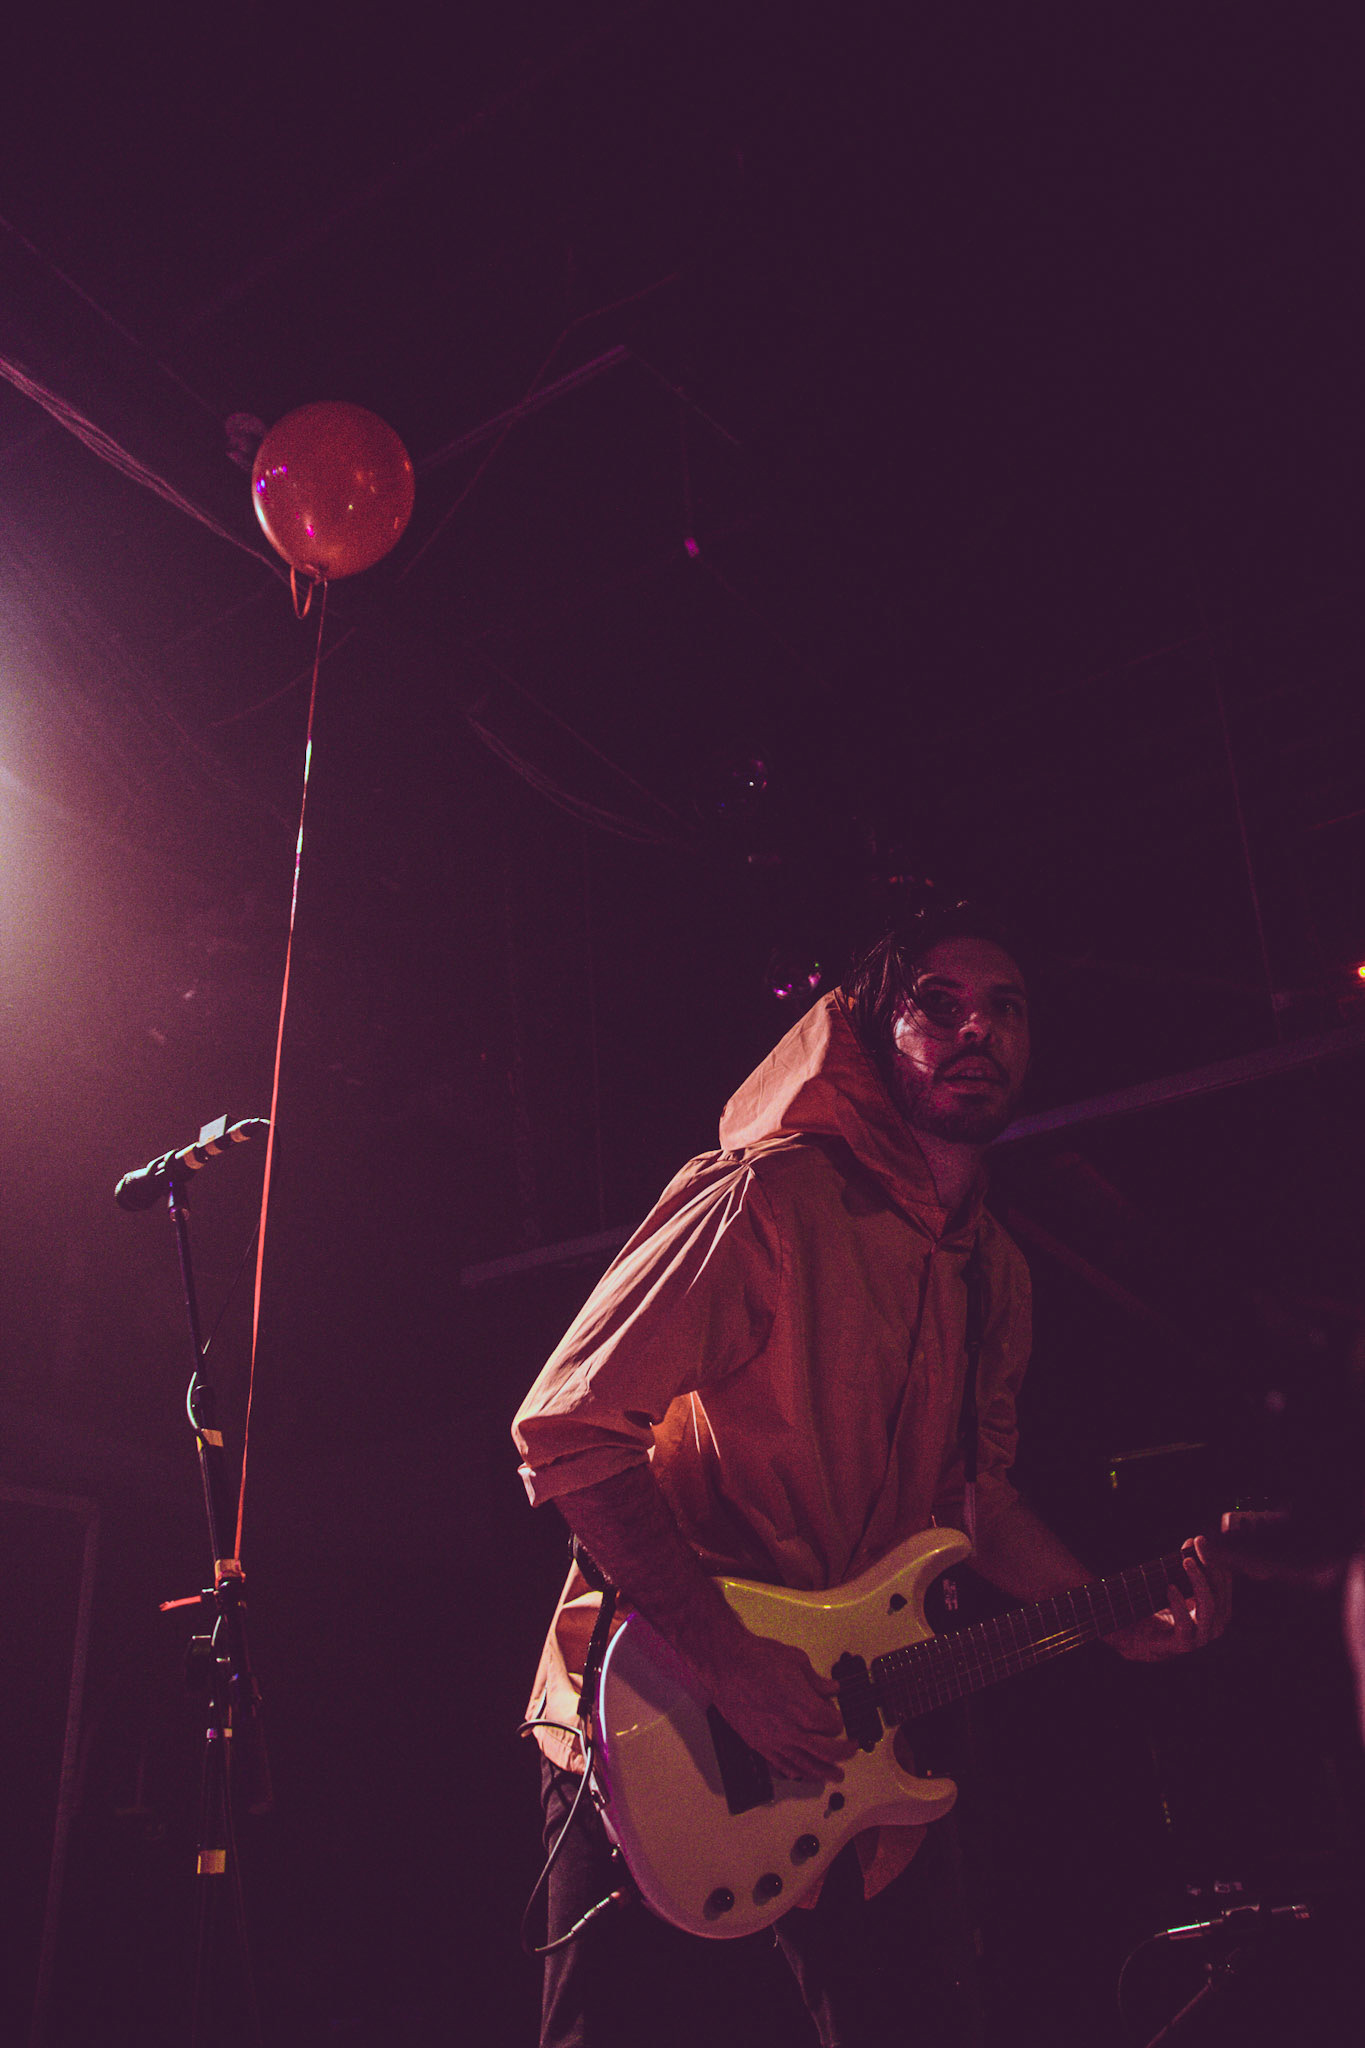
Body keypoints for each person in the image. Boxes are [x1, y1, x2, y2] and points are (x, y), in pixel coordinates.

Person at [512, 903, 1231, 2047]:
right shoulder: (767, 1197)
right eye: (938, 1005)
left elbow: (973, 1504)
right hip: (664, 1730)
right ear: (869, 1027)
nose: (976, 1030)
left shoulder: (995, 1270)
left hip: (855, 1747)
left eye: (1004, 1008)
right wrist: (731, 1661)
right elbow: (568, 1430)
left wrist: (1106, 1611)